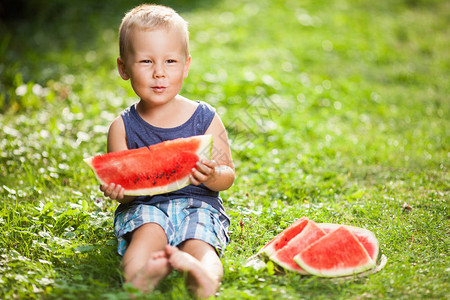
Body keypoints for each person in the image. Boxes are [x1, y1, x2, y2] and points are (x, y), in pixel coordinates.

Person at [99, 4, 235, 298]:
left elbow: (228, 176)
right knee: (144, 240)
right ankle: (142, 276)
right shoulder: (121, 128)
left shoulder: (206, 118)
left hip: (199, 206)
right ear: (124, 68)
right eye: (146, 61)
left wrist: (213, 175)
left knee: (201, 245)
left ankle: (203, 276)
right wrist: (120, 191)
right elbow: (129, 186)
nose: (159, 73)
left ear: (186, 65)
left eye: (170, 61)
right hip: (144, 208)